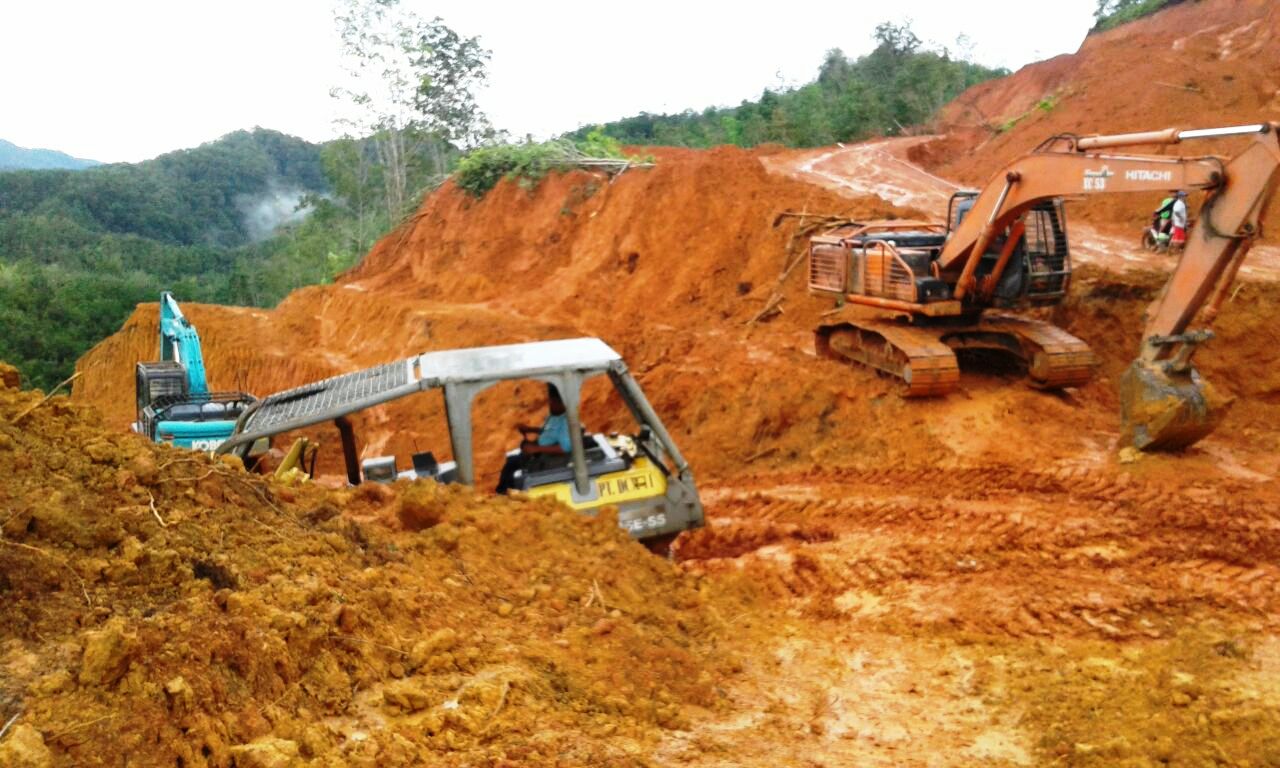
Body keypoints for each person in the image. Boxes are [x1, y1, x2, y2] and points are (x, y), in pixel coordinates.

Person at [495, 383, 572, 493]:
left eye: (552, 401)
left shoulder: (566, 421)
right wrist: (530, 429)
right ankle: (506, 491)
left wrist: (536, 449)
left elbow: (565, 448)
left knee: (512, 463)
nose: (549, 404)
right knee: (511, 459)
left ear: (561, 402)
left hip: (548, 458)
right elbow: (548, 432)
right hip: (539, 451)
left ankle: (505, 493)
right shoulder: (554, 416)